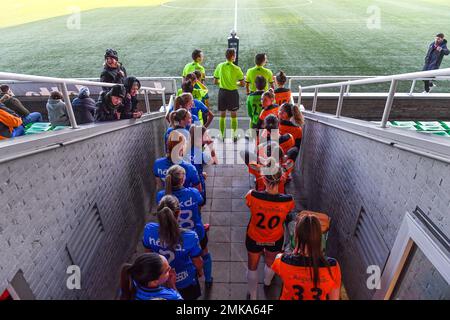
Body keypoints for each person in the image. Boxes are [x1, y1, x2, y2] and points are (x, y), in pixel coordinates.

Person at [157, 165, 213, 288]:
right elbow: (200, 205)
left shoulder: (161, 196)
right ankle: (208, 279)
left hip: (172, 236)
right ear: (182, 180)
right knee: (204, 254)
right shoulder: (193, 193)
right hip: (196, 231)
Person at [245, 167, 295, 300]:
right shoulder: (288, 200)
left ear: (264, 179)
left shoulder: (252, 195)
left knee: (252, 266)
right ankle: (267, 282)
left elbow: (249, 205)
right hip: (275, 237)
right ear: (281, 179)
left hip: (254, 236)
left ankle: (254, 296)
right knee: (270, 263)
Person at [142, 196, 204, 300]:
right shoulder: (190, 236)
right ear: (179, 213)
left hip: (162, 281)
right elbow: (197, 261)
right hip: (186, 280)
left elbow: (148, 255)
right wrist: (200, 271)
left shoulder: (149, 230)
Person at [272, 213, 341, 300]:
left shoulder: (283, 261)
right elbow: (334, 298)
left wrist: (294, 251)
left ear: (296, 237)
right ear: (319, 238)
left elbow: (277, 259)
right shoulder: (333, 266)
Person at [213, 48, 245, 142]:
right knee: (233, 115)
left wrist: (223, 82)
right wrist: (235, 83)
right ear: (232, 57)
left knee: (222, 114)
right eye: (235, 55)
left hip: (222, 92)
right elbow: (243, 84)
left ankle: (222, 136)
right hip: (233, 94)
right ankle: (234, 136)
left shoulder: (220, 66)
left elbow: (215, 81)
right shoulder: (236, 68)